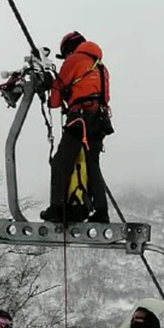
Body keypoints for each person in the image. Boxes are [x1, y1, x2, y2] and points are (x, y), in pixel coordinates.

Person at [40, 31, 114, 225]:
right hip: (99, 120)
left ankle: (57, 208)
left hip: (80, 118)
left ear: (69, 50)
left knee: (61, 161)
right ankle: (101, 211)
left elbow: (55, 101)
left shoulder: (74, 61)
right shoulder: (101, 67)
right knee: (92, 164)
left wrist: (53, 87)